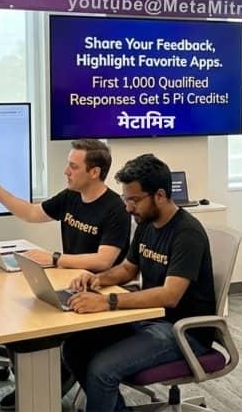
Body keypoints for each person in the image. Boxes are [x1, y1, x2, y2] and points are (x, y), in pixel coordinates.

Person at [0, 138, 130, 409]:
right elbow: (31, 213)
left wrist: (55, 259)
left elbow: (104, 260)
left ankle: (48, 384)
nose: (66, 171)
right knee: (17, 313)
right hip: (69, 282)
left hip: (98, 291)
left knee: (33, 325)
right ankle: (36, 385)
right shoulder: (71, 196)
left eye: (73, 166)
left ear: (94, 172)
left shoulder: (115, 209)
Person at [62, 154, 215, 412]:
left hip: (183, 331)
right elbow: (127, 269)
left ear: (160, 195)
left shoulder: (187, 233)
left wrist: (108, 302)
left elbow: (170, 296)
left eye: (134, 200)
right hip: (149, 318)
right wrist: (97, 279)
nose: (128, 207)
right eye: (126, 199)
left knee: (102, 370)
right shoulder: (146, 223)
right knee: (75, 349)